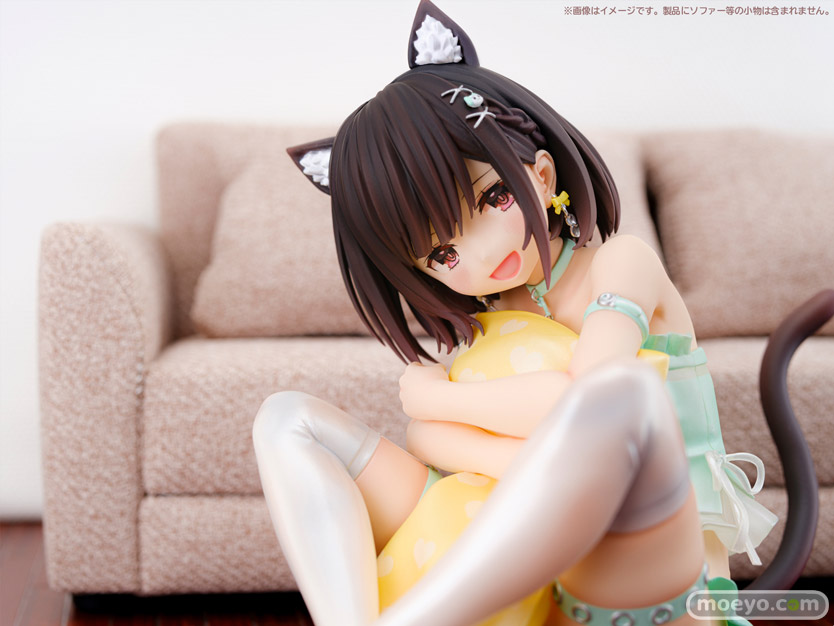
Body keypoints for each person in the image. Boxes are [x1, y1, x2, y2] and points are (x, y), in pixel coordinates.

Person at [253, 2, 776, 624]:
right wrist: (519, 466)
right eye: (443, 254)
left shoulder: (621, 264)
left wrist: (438, 399)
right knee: (287, 419)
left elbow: (590, 404)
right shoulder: (493, 320)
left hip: (636, 555)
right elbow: (428, 442)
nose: (480, 255)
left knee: (627, 394)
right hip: (511, 530)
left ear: (542, 173)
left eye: (492, 198)